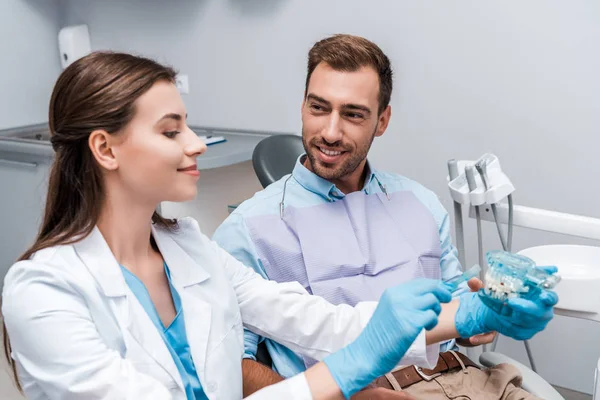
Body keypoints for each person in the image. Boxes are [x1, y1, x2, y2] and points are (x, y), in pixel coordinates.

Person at [0, 51, 462, 400]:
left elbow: (316, 322)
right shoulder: (43, 290)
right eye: (171, 130)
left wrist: (469, 314)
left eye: (189, 126)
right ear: (105, 149)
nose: (197, 143)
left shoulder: (190, 248)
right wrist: (342, 376)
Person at [213, 34, 558, 399]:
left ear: (382, 120)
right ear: (302, 107)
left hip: (471, 379)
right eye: (318, 108)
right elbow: (233, 365)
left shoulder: (419, 201)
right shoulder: (248, 229)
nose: (330, 131)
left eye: (353, 114)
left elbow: (461, 314)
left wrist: (480, 319)